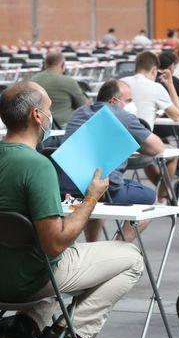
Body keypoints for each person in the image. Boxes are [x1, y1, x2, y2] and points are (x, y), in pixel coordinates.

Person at [0, 81, 144, 338]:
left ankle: (29, 326)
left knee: (75, 262)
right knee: (132, 258)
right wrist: (91, 198)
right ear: (36, 116)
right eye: (47, 109)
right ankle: (71, 335)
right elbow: (55, 244)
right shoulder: (37, 165)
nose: (50, 115)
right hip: (33, 280)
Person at [63, 80, 163, 241]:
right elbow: (156, 147)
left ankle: (93, 246)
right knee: (150, 200)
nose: (132, 105)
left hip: (68, 188)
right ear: (113, 101)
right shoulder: (122, 116)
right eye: (129, 100)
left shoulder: (79, 112)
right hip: (106, 190)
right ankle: (116, 247)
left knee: (94, 192)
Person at [121, 51, 179, 127]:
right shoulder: (157, 87)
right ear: (154, 70)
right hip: (142, 136)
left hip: (119, 134)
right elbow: (177, 117)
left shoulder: (120, 83)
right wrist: (170, 84)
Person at [30, 52, 89, 128]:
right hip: (63, 127)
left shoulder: (33, 80)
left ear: (45, 64)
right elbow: (84, 106)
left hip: (39, 126)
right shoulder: (68, 81)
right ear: (62, 65)